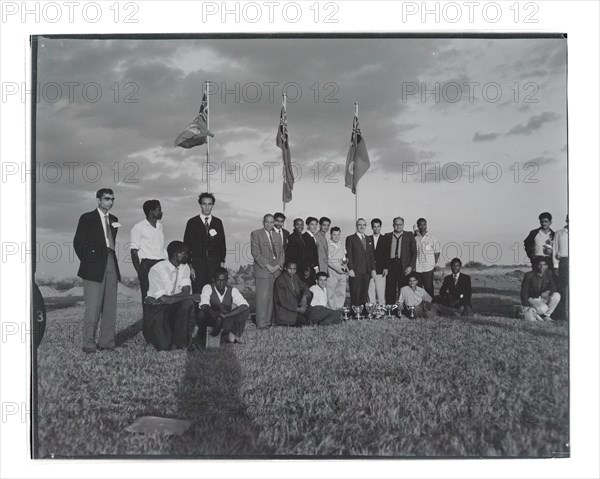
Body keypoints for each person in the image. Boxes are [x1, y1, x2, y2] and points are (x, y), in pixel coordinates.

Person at [73, 188, 121, 353]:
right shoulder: (87, 218)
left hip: (111, 262)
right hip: (94, 265)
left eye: (112, 199)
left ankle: (107, 342)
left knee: (110, 306)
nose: (110, 202)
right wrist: (90, 262)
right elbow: (78, 243)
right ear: (98, 200)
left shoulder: (114, 219)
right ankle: (89, 343)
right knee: (93, 307)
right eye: (107, 199)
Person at [144, 241, 199, 351]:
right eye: (184, 253)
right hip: (157, 308)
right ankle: (156, 333)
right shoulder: (156, 269)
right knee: (164, 346)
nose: (187, 256)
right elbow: (163, 299)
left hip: (172, 304)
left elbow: (186, 291)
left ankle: (180, 342)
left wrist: (173, 299)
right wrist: (188, 297)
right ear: (175, 254)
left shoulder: (185, 267)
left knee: (186, 304)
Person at [183, 192, 227, 293]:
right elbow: (186, 245)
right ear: (200, 204)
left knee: (213, 293)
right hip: (198, 266)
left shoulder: (218, 222)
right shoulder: (192, 222)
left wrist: (222, 263)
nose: (207, 207)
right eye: (204, 204)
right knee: (198, 294)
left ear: (213, 205)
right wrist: (190, 266)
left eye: (210, 204)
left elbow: (222, 244)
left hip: (214, 265)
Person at [194, 267, 249, 346]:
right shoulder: (208, 287)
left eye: (224, 280)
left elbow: (244, 305)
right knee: (201, 313)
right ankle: (203, 336)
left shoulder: (232, 290)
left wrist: (224, 316)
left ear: (227, 280)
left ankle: (232, 336)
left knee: (245, 310)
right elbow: (204, 305)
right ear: (213, 280)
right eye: (218, 280)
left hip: (224, 320)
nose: (221, 283)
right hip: (212, 320)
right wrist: (216, 317)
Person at [130, 199, 167, 308]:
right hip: (147, 265)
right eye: (159, 210)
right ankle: (148, 324)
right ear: (151, 212)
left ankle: (161, 324)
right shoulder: (138, 227)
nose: (161, 212)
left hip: (161, 264)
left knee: (162, 298)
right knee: (148, 299)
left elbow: (161, 248)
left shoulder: (160, 227)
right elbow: (133, 252)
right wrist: (140, 271)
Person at [251, 214, 284, 328]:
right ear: (263, 222)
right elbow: (255, 253)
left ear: (274, 222)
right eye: (267, 222)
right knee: (262, 298)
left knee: (271, 298)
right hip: (263, 271)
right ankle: (261, 323)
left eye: (271, 222)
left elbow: (281, 253)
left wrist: (279, 265)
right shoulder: (256, 234)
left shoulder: (277, 235)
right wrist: (268, 266)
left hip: (276, 271)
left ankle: (268, 321)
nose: (269, 224)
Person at [345, 218, 375, 315]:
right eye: (359, 225)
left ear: (366, 226)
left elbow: (371, 256)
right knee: (355, 292)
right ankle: (354, 313)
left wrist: (373, 269)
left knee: (364, 292)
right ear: (356, 226)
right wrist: (351, 269)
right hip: (356, 271)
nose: (362, 227)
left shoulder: (369, 239)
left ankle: (363, 311)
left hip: (367, 271)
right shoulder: (350, 238)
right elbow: (348, 255)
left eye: (364, 225)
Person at [384, 216, 417, 305]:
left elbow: (414, 252)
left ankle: (403, 309)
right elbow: (384, 254)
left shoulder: (409, 235)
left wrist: (410, 266)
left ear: (403, 225)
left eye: (400, 224)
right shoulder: (387, 236)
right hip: (391, 265)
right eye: (396, 224)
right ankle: (390, 309)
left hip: (404, 266)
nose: (398, 226)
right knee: (390, 289)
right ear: (393, 225)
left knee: (403, 288)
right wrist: (385, 267)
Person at [520, 256, 561, 321]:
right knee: (543, 308)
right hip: (532, 298)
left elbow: (553, 287)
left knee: (557, 295)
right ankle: (534, 313)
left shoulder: (549, 273)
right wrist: (526, 305)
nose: (542, 267)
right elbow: (524, 291)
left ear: (547, 266)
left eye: (544, 265)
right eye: (540, 265)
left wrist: (548, 292)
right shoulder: (528, 275)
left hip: (543, 299)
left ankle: (546, 316)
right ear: (536, 265)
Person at [273, 261, 310, 326]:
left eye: (294, 269)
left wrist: (304, 296)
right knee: (305, 324)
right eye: (290, 269)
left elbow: (305, 287)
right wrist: (298, 309)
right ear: (285, 268)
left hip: (295, 307)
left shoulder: (295, 276)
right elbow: (282, 302)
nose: (292, 271)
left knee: (310, 294)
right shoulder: (280, 280)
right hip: (285, 310)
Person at [414, 218, 440, 298]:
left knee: (429, 289)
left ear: (426, 225)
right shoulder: (415, 238)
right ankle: (420, 308)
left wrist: (433, 264)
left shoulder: (432, 238)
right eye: (420, 225)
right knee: (418, 289)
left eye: (424, 224)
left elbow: (437, 252)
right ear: (418, 226)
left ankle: (431, 308)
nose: (423, 226)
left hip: (428, 268)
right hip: (417, 268)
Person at [368, 218, 388, 306]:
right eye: (374, 227)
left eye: (378, 226)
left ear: (381, 227)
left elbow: (387, 255)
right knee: (370, 291)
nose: (376, 228)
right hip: (369, 270)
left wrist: (386, 267)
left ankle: (382, 310)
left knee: (381, 292)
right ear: (372, 227)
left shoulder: (386, 239)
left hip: (381, 269)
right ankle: (371, 311)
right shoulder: (367, 239)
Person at [326, 226, 347, 309]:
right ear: (330, 234)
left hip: (342, 272)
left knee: (341, 292)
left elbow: (344, 258)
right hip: (332, 271)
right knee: (330, 293)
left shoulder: (341, 244)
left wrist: (345, 266)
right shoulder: (327, 245)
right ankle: (331, 311)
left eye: (338, 235)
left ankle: (339, 311)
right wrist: (337, 269)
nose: (337, 237)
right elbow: (327, 260)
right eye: (334, 235)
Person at [553, 214, 569, 320]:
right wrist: (556, 266)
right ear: (566, 219)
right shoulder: (559, 233)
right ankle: (562, 314)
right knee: (563, 288)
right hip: (564, 262)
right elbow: (555, 249)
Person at [302, 216, 320, 285]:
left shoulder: (312, 237)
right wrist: (315, 267)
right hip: (309, 268)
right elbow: (309, 255)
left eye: (316, 224)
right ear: (307, 225)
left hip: (312, 267)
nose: (314, 227)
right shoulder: (306, 237)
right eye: (312, 224)